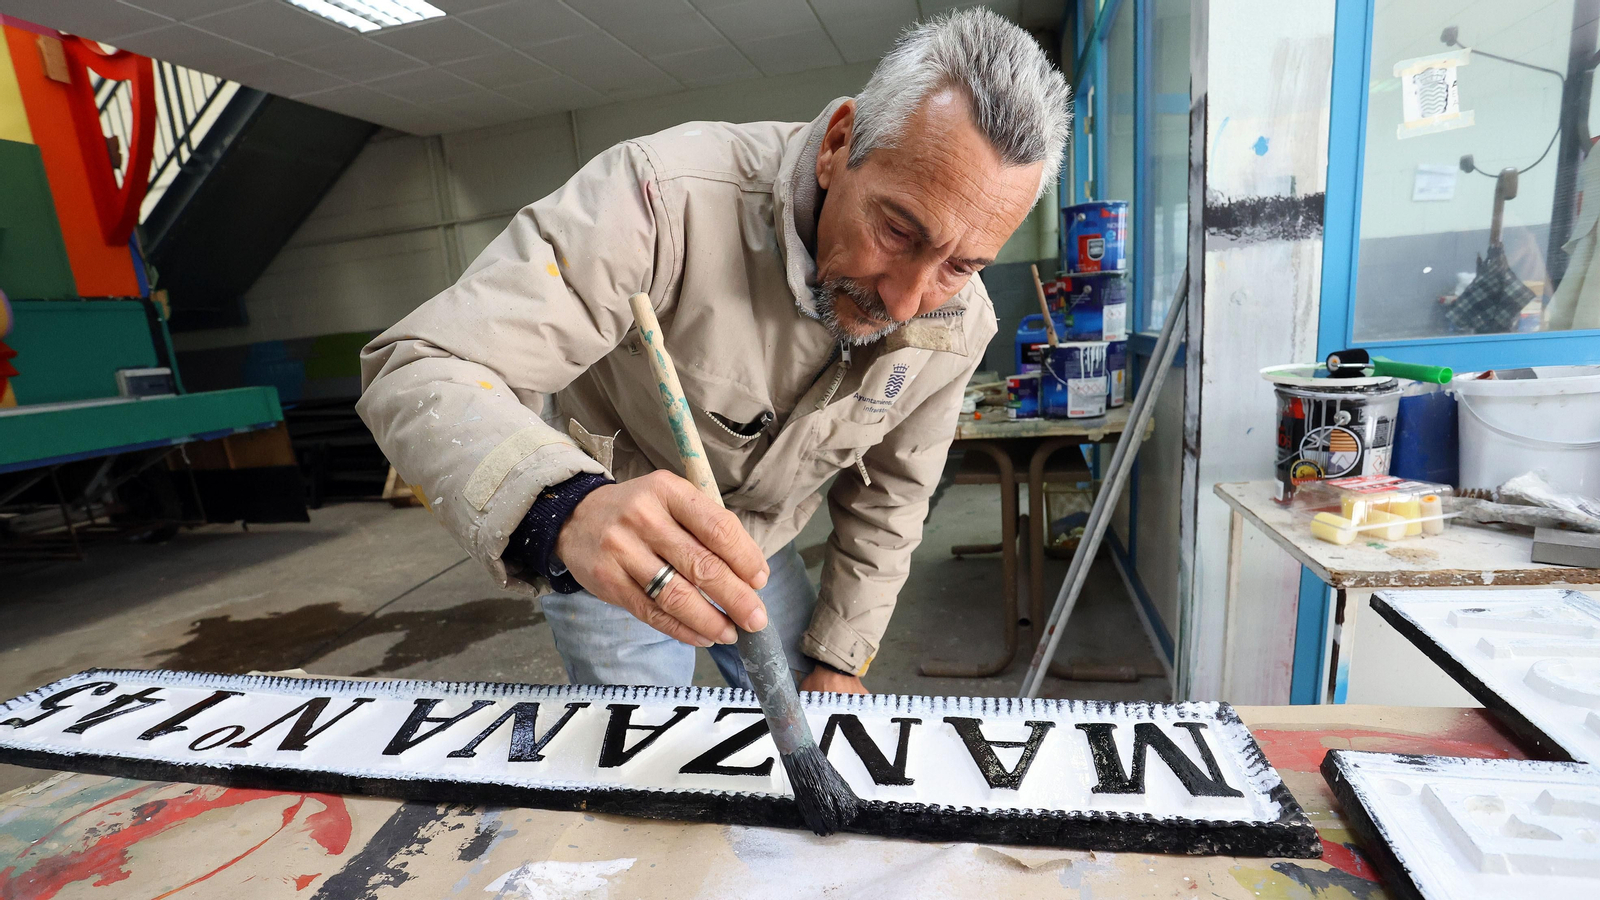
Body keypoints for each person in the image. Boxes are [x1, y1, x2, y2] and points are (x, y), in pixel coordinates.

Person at [358, 9, 1071, 695]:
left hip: (759, 538)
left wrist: (840, 653)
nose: (909, 301)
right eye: (898, 231)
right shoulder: (661, 200)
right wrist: (564, 509)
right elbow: (420, 366)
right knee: (641, 753)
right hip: (614, 524)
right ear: (838, 146)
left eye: (961, 264)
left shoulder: (956, 323)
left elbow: (894, 495)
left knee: (812, 724)